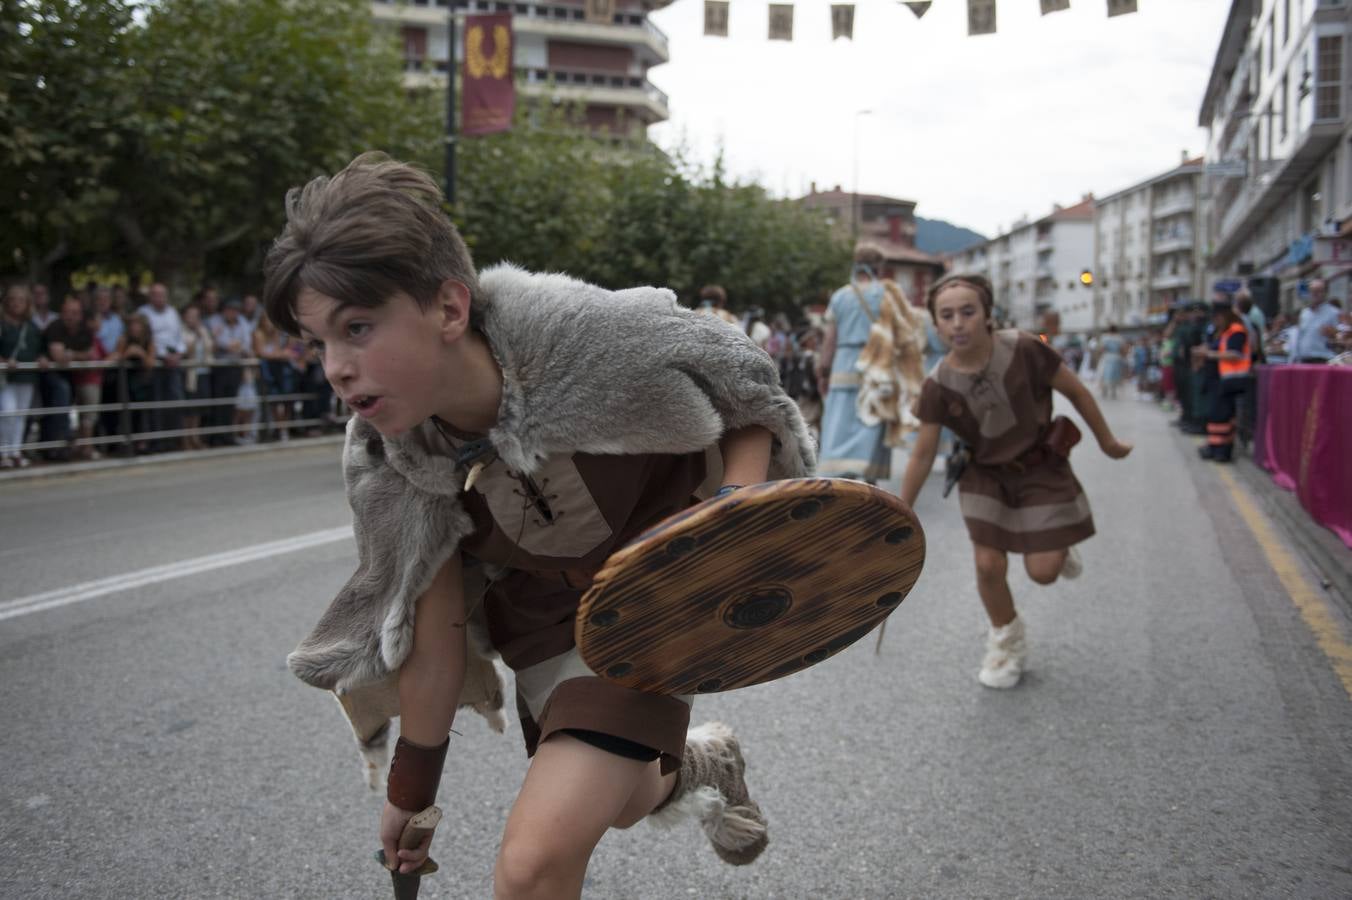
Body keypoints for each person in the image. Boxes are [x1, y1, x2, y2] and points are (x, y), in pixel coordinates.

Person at [263, 154, 815, 897]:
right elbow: (437, 631)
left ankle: (671, 751)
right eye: (319, 341)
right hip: (543, 626)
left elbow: (750, 391)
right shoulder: (389, 460)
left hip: (655, 596)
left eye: (357, 327)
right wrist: (412, 789)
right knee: (618, 804)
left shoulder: (592, 337)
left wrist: (730, 522)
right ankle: (699, 761)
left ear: (450, 310)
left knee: (531, 866)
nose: (334, 366)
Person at [898, 274, 1132, 689]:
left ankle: (1055, 540)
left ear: (988, 315)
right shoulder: (937, 385)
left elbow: (1077, 393)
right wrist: (899, 509)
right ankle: (1006, 641)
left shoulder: (1025, 349)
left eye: (968, 312)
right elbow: (922, 452)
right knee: (988, 564)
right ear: (935, 325)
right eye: (946, 315)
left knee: (1043, 573)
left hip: (1041, 467)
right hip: (984, 475)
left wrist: (1108, 442)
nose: (958, 323)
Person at [816, 243, 899, 482]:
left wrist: (824, 371)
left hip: (844, 363)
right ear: (878, 267)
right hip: (876, 362)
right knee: (871, 417)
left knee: (840, 418)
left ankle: (842, 472)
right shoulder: (886, 294)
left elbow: (830, 338)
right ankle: (869, 473)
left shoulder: (841, 296)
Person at [1191, 300, 1252, 463]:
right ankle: (1214, 446)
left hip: (1229, 381)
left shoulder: (1236, 331)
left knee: (1222, 416)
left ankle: (1222, 451)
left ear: (1225, 316)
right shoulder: (1223, 332)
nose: (1215, 321)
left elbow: (1235, 354)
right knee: (1216, 415)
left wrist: (1209, 354)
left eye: (1217, 318)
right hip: (1219, 380)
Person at [1, 284, 43, 468]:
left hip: (26, 377)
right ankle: (3, 451)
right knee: (7, 412)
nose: (16, 303)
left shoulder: (31, 326)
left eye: (21, 300)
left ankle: (15, 451)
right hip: (5, 379)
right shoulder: (2, 324)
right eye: (13, 299)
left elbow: (39, 348)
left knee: (21, 415)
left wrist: (42, 358)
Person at [1292, 279, 1340, 364]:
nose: (1315, 294)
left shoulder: (1334, 313)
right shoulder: (1304, 313)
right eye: (1312, 291)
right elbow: (1299, 336)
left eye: (1319, 291)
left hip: (1323, 359)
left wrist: (1333, 334)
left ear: (1325, 293)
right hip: (1304, 359)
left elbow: (1340, 337)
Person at [1097, 325, 1125, 400]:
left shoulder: (1105, 337)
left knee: (1104, 373)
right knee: (1115, 374)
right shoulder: (1119, 338)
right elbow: (1122, 349)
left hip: (1107, 357)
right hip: (1116, 357)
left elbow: (1102, 348)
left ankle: (1104, 390)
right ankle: (1113, 390)